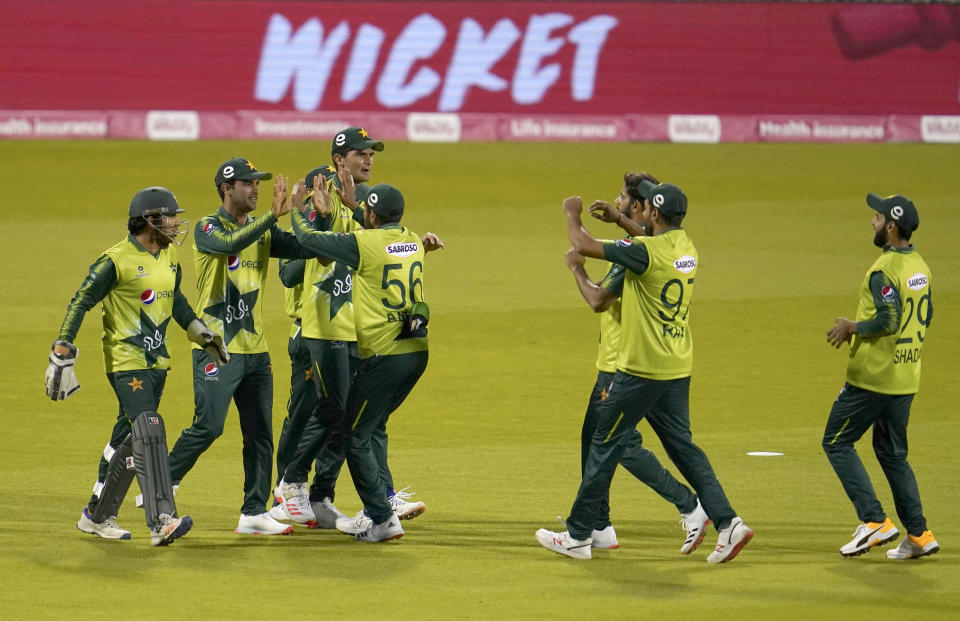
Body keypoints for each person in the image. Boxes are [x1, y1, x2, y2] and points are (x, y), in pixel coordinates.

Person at [536, 179, 753, 562]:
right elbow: (646, 242)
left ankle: (578, 536)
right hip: (676, 365)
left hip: (641, 368)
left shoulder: (645, 253)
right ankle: (728, 523)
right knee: (683, 448)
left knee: (605, 443)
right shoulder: (686, 248)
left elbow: (586, 246)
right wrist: (620, 219)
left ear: (652, 212)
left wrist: (572, 213)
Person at [46, 186, 228, 546]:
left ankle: (96, 516)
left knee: (128, 440)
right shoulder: (115, 261)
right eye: (170, 216)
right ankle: (162, 519)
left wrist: (200, 333)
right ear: (150, 220)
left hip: (157, 363)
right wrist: (63, 346)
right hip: (126, 361)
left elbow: (175, 299)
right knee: (150, 427)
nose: (176, 223)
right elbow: (81, 299)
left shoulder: (169, 256)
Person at [276, 128, 425, 528]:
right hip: (317, 329)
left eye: (371, 153)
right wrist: (324, 232)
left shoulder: (356, 204)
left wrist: (413, 246)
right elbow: (290, 271)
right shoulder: (317, 192)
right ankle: (288, 490)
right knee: (313, 413)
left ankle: (324, 494)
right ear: (339, 159)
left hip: (352, 329)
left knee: (349, 415)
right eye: (361, 154)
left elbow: (379, 248)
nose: (369, 160)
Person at [563, 172, 709, 553]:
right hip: (643, 360)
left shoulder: (632, 253)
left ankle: (690, 505)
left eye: (623, 199)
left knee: (618, 442)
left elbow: (598, 301)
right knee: (594, 439)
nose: (617, 202)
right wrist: (620, 220)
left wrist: (575, 254)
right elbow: (644, 237)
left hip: (622, 363)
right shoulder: (658, 245)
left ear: (642, 207)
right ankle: (599, 525)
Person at [290, 180, 442, 542]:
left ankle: (382, 518)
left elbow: (312, 242)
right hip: (415, 353)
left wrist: (298, 211)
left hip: (384, 357)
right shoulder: (413, 241)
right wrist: (356, 206)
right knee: (369, 426)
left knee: (353, 435)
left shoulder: (365, 243)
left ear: (371, 215)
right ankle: (382, 504)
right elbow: (378, 228)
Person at [166, 158, 308, 536]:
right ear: (227, 189)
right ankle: (163, 481)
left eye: (258, 182)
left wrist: (304, 215)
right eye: (247, 183)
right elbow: (230, 243)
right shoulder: (207, 227)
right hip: (217, 348)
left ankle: (253, 512)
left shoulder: (262, 230)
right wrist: (270, 218)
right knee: (209, 426)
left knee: (260, 433)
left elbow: (302, 249)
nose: (256, 189)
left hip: (256, 350)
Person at [822, 193, 938, 560]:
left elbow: (888, 319)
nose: (872, 222)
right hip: (906, 376)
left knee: (837, 442)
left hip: (873, 378)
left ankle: (874, 521)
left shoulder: (883, 270)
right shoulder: (920, 266)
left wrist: (852, 326)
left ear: (891, 225)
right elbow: (927, 314)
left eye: (877, 216)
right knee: (893, 455)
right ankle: (919, 534)